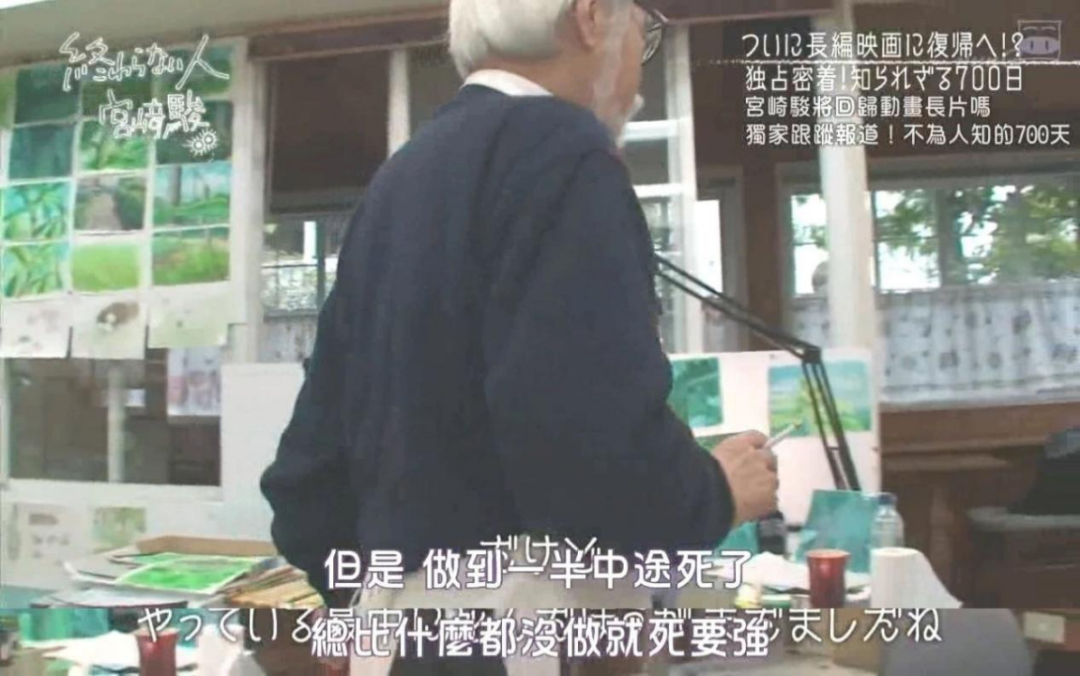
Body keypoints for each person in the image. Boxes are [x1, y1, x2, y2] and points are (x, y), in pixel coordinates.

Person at [260, 0, 779, 658]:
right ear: (591, 18)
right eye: (641, 36)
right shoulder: (567, 156)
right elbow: (593, 451)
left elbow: (305, 483)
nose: (639, 78)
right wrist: (716, 492)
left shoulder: (397, 181)